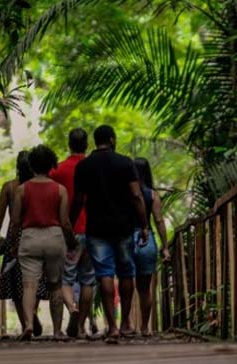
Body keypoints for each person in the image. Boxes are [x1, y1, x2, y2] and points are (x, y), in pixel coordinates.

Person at [70, 125, 149, 342]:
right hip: (123, 227)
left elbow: (78, 200)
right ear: (112, 140)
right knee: (126, 272)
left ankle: (112, 327)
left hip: (96, 228)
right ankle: (125, 323)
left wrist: (69, 225)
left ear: (95, 142)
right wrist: (144, 225)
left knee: (104, 273)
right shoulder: (125, 163)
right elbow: (135, 195)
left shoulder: (85, 166)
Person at [10, 144, 77, 341]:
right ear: (52, 165)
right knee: (55, 285)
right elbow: (65, 221)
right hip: (54, 238)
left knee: (29, 285)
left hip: (30, 237)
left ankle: (29, 325)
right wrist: (72, 242)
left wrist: (14, 243)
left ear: (31, 165)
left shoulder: (22, 190)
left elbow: (15, 221)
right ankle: (57, 331)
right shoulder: (60, 190)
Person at [0, 151, 48, 336]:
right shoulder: (38, 186)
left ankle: (26, 323)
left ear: (17, 166)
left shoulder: (9, 187)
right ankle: (31, 311)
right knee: (36, 277)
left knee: (15, 282)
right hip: (35, 234)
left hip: (14, 237)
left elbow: (0, 214)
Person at [49, 128, 96, 338]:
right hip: (94, 230)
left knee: (66, 279)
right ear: (86, 145)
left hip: (70, 230)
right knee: (88, 280)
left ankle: (72, 309)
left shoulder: (57, 171)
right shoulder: (94, 169)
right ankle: (80, 327)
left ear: (69, 143)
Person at [130, 158, 170, 336]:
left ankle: (125, 325)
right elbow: (159, 221)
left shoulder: (125, 193)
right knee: (144, 289)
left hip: (126, 240)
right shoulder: (152, 195)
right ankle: (145, 327)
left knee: (125, 284)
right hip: (147, 241)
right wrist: (165, 246)